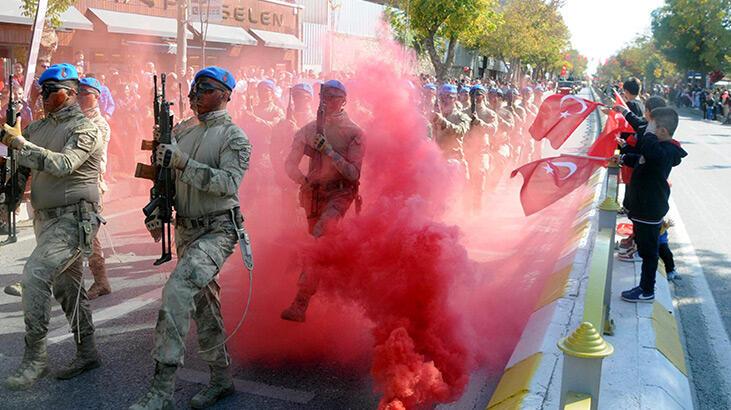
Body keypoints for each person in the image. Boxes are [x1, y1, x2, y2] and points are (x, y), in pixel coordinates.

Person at [130, 66, 251, 410]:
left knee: (177, 291)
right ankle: (221, 378)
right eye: (195, 88)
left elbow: (228, 184)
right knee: (204, 305)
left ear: (225, 94)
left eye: (206, 88)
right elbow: (164, 177)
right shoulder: (182, 130)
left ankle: (161, 391)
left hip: (217, 230)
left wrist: (182, 162)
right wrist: (156, 207)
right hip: (186, 229)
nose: (196, 95)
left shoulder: (234, 137)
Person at [1, 63, 104, 389]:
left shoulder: (86, 129)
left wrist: (18, 144)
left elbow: (62, 165)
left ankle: (35, 360)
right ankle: (87, 352)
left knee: (34, 275)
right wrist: (7, 202)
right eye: (41, 91)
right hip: (46, 221)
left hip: (75, 220)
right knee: (68, 289)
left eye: (50, 91)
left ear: (71, 93)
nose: (43, 96)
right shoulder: (37, 129)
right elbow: (20, 171)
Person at [281, 80, 365, 323]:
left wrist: (328, 150)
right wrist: (303, 180)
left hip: (340, 194)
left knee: (319, 238)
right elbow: (289, 164)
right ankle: (337, 289)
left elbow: (353, 174)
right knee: (320, 246)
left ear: (344, 101)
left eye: (334, 97)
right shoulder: (307, 130)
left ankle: (300, 302)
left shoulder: (354, 132)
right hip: (314, 195)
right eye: (324, 97)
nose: (328, 101)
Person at [616, 107, 687, 302]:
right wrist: (623, 157)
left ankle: (646, 290)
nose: (647, 130)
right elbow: (642, 159)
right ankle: (646, 287)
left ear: (662, 131)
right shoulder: (657, 150)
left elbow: (648, 152)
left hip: (649, 208)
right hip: (645, 207)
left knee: (648, 253)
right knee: (647, 248)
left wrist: (646, 134)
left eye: (650, 126)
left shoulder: (663, 151)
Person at [77, 77, 112, 299]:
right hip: (77, 183)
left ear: (97, 97)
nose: (80, 97)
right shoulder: (76, 119)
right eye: (78, 93)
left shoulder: (99, 124)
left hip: (91, 183)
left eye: (85, 94)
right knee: (81, 234)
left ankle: (101, 282)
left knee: (88, 234)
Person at [464, 85, 497, 212]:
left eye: (478, 94)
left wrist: (479, 123)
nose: (475, 97)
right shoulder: (464, 112)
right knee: (466, 182)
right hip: (466, 151)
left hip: (481, 152)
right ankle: (466, 210)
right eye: (472, 94)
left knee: (480, 178)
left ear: (483, 96)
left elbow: (493, 129)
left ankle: (477, 209)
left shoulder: (489, 113)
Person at [431, 84, 471, 179]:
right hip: (437, 158)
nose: (445, 100)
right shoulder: (436, 115)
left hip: (453, 158)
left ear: (455, 98)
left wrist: (444, 122)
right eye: (443, 97)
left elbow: (460, 131)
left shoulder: (461, 116)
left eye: (449, 97)